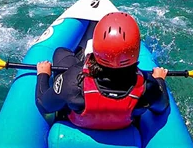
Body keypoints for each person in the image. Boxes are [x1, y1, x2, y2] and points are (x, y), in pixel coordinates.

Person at [35, 12, 170, 130]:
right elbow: (161, 106)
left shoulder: (73, 80)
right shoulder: (148, 86)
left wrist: (43, 75)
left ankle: (79, 54)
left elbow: (43, 105)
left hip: (79, 122)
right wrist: (159, 80)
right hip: (122, 126)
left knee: (61, 53)